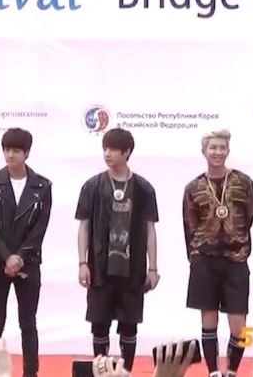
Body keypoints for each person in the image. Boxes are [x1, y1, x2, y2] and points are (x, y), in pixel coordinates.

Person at [75, 128, 160, 373]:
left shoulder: (143, 188)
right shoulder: (92, 186)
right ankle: (101, 372)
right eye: (105, 148)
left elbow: (150, 230)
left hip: (133, 268)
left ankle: (126, 372)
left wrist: (153, 268)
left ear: (127, 152)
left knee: (129, 325)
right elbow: (84, 227)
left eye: (113, 149)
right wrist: (82, 263)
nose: (107, 153)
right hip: (100, 267)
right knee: (99, 324)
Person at [183, 129, 253, 377]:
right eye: (213, 147)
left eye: (222, 147)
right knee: (208, 321)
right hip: (205, 261)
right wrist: (197, 255)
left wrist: (236, 240)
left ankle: (232, 371)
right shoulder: (193, 187)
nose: (217, 152)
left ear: (228, 150)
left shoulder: (243, 182)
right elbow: (189, 225)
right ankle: (213, 372)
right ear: (204, 151)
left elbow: (249, 215)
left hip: (236, 259)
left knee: (239, 327)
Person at [0, 128, 52, 377]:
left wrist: (20, 257)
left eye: (16, 150)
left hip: (28, 263)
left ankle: (30, 372)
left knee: (28, 322)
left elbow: (40, 228)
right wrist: (6, 257)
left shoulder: (42, 186)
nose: (10, 155)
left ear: (27, 153)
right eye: (7, 149)